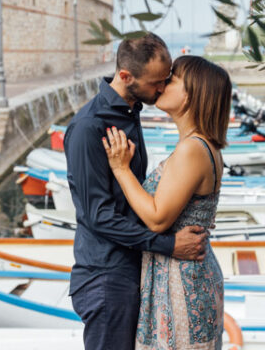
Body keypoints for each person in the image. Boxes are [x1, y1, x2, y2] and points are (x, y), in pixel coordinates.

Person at [65, 33, 208, 350]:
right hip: (105, 275)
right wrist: (169, 245)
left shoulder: (131, 111)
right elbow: (99, 216)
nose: (161, 88)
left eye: (166, 80)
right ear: (126, 76)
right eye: (156, 82)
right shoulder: (90, 127)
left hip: (130, 267)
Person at [103, 55, 232, 350]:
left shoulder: (192, 149)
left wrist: (121, 169)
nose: (162, 84)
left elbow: (157, 218)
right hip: (182, 275)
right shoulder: (201, 145)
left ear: (192, 94)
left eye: (172, 79)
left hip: (181, 281)